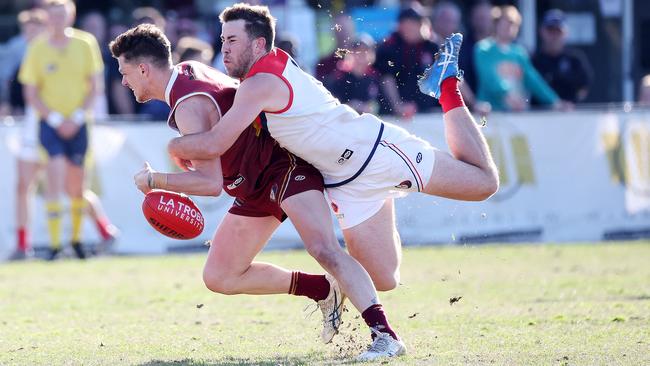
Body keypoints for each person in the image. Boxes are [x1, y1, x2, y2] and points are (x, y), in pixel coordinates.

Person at [167, 3, 499, 360]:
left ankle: (447, 85)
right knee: (384, 278)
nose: (225, 47)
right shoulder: (256, 78)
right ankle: (377, 219)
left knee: (484, 183)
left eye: (233, 39)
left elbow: (218, 141)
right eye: (222, 39)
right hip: (345, 182)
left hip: (374, 152)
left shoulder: (260, 82)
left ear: (260, 44)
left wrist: (174, 146)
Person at [109, 23, 403, 360]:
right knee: (220, 275)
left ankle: (385, 335)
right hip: (252, 184)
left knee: (323, 248)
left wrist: (155, 182)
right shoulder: (190, 70)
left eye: (125, 71)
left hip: (283, 167)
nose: (123, 81)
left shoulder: (187, 104)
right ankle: (324, 290)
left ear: (144, 69)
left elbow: (209, 183)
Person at [18, 0, 105, 260]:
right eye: (53, 15)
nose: (58, 20)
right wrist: (56, 119)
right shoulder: (37, 47)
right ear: (47, 18)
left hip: (79, 123)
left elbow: (95, 86)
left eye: (62, 14)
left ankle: (77, 241)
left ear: (71, 15)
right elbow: (31, 93)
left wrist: (77, 117)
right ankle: (56, 245)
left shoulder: (85, 43)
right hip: (50, 124)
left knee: (77, 186)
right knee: (54, 178)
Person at [473, 5, 563, 112]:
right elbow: (490, 78)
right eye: (506, 23)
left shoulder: (519, 53)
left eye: (513, 24)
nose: (509, 28)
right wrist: (506, 96)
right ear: (496, 24)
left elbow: (533, 80)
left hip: (516, 113)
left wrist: (554, 101)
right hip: (490, 113)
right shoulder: (484, 49)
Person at [374, 5, 439, 117]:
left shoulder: (432, 47)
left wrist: (470, 103)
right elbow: (387, 78)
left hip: (427, 112)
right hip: (394, 115)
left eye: (415, 24)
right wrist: (398, 106)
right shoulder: (389, 47)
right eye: (407, 24)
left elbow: (451, 74)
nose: (410, 28)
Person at [531, 9, 593, 104]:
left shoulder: (575, 59)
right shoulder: (533, 60)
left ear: (566, 33)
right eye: (550, 30)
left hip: (571, 115)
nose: (554, 36)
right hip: (538, 114)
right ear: (542, 32)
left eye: (558, 31)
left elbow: (584, 87)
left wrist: (571, 104)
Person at [325, 35, 380, 115]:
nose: (362, 54)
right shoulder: (339, 75)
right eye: (358, 50)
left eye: (365, 51)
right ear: (350, 53)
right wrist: (353, 105)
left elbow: (377, 104)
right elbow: (332, 104)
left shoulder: (374, 76)